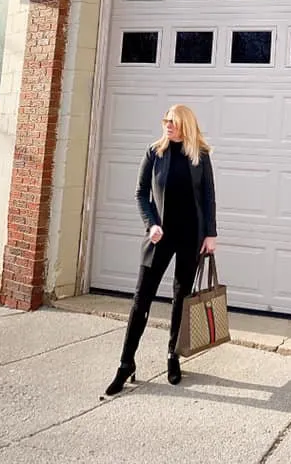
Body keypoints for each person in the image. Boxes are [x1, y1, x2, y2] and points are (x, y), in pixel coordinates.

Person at [104, 104, 217, 395]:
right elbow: (140, 193)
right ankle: (125, 362)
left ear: (185, 125)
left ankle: (172, 355)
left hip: (191, 236)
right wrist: (150, 224)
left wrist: (210, 234)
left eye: (173, 122)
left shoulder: (200, 155)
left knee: (181, 296)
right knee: (141, 299)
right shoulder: (154, 153)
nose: (167, 125)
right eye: (166, 120)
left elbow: (208, 197)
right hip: (160, 237)